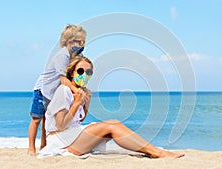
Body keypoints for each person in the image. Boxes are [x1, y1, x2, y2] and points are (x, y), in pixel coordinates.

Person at [39, 56, 185, 159]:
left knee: (111, 130)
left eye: (88, 72)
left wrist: (86, 103)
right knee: (112, 125)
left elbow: (78, 119)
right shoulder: (63, 91)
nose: (84, 75)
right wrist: (77, 102)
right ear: (72, 73)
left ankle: (150, 150)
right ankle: (157, 152)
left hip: (73, 136)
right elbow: (60, 124)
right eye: (80, 71)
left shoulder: (80, 92)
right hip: (61, 141)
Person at [28, 25, 88, 155]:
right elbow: (63, 79)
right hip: (43, 89)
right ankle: (31, 148)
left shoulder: (78, 56)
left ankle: (44, 145)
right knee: (37, 119)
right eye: (79, 41)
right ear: (69, 42)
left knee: (47, 120)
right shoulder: (63, 56)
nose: (82, 44)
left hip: (55, 92)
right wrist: (76, 91)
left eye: (84, 41)